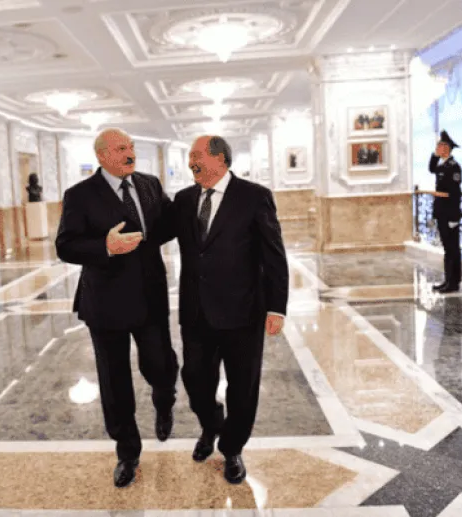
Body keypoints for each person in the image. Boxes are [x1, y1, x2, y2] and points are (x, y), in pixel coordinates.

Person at [158, 135, 289, 484]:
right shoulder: (185, 200)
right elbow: (157, 232)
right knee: (195, 380)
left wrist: (277, 308)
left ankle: (232, 448)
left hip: (243, 311)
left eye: (196, 155)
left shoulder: (254, 196)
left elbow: (274, 255)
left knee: (243, 387)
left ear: (220, 159)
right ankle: (211, 423)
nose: (190, 162)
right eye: (190, 156)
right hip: (196, 312)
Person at [54, 128, 180, 488]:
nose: (130, 153)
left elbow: (167, 224)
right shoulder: (79, 195)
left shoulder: (149, 184)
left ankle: (164, 400)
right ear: (102, 156)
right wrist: (105, 247)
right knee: (114, 380)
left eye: (131, 147)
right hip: (105, 302)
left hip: (150, 295)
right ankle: (127, 452)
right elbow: (65, 246)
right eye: (122, 148)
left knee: (160, 364)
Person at [428, 130, 462, 293]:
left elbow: (455, 194)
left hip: (450, 214)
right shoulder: (443, 165)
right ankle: (447, 280)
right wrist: (434, 155)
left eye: (440, 146)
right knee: (447, 249)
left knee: (453, 249)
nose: (437, 148)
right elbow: (431, 169)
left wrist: (454, 216)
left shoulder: (454, 167)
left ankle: (454, 282)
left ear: (446, 148)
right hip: (442, 213)